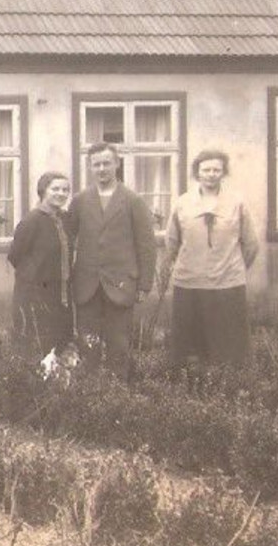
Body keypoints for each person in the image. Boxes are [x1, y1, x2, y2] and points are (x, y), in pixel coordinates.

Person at [158, 148, 260, 368]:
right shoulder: (183, 203)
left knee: (228, 345)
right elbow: (172, 242)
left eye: (216, 169)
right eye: (206, 169)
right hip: (190, 283)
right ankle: (192, 391)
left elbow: (251, 244)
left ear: (223, 173)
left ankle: (229, 387)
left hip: (228, 285)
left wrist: (233, 268)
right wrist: (190, 265)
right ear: (198, 173)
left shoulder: (236, 203)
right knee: (190, 347)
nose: (211, 174)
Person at [71, 142, 157, 378]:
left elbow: (146, 245)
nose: (101, 169)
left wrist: (144, 284)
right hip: (87, 284)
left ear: (117, 164)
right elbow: (67, 241)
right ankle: (89, 390)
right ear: (90, 167)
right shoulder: (80, 201)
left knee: (119, 342)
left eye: (106, 163)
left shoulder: (132, 200)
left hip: (121, 284)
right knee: (88, 341)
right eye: (96, 164)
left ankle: (117, 392)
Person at [7, 171, 75, 355]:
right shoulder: (32, 221)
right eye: (55, 189)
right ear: (43, 191)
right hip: (34, 294)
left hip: (60, 293)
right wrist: (35, 275)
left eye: (65, 190)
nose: (61, 193)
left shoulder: (66, 219)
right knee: (35, 345)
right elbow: (15, 255)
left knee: (60, 345)